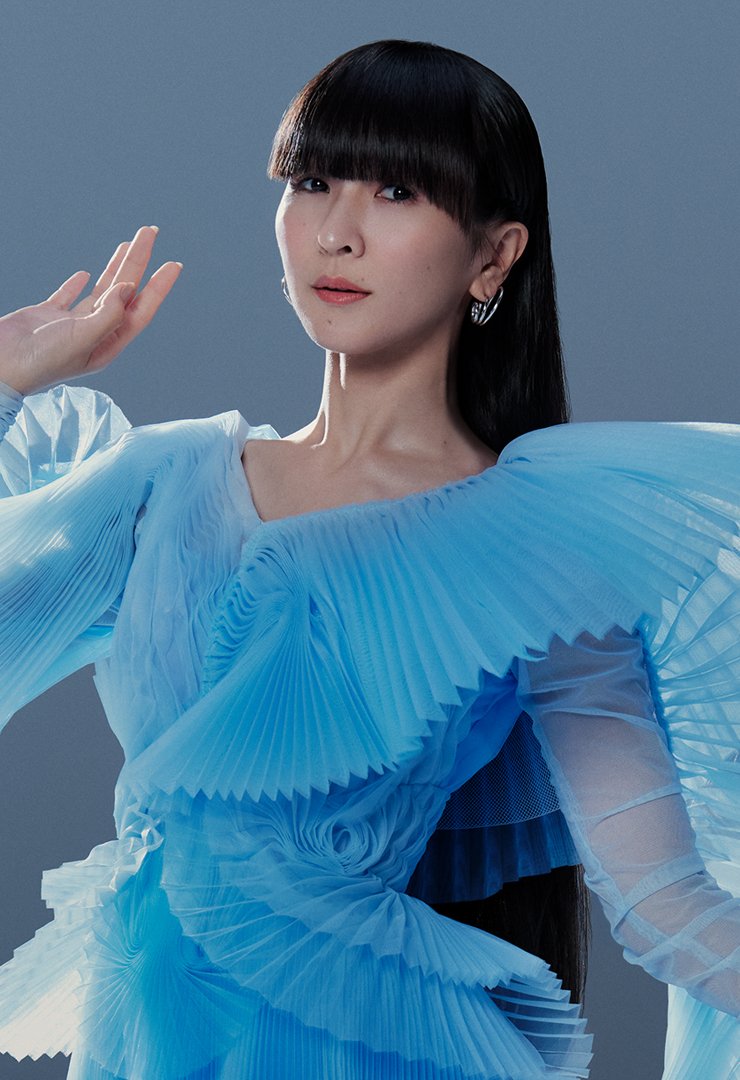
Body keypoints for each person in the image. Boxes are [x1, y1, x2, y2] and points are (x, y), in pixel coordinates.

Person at [0, 38, 737, 1080]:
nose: (335, 231)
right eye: (311, 182)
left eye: (396, 191)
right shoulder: (164, 485)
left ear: (493, 256)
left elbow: (666, 907)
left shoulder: (537, 548)